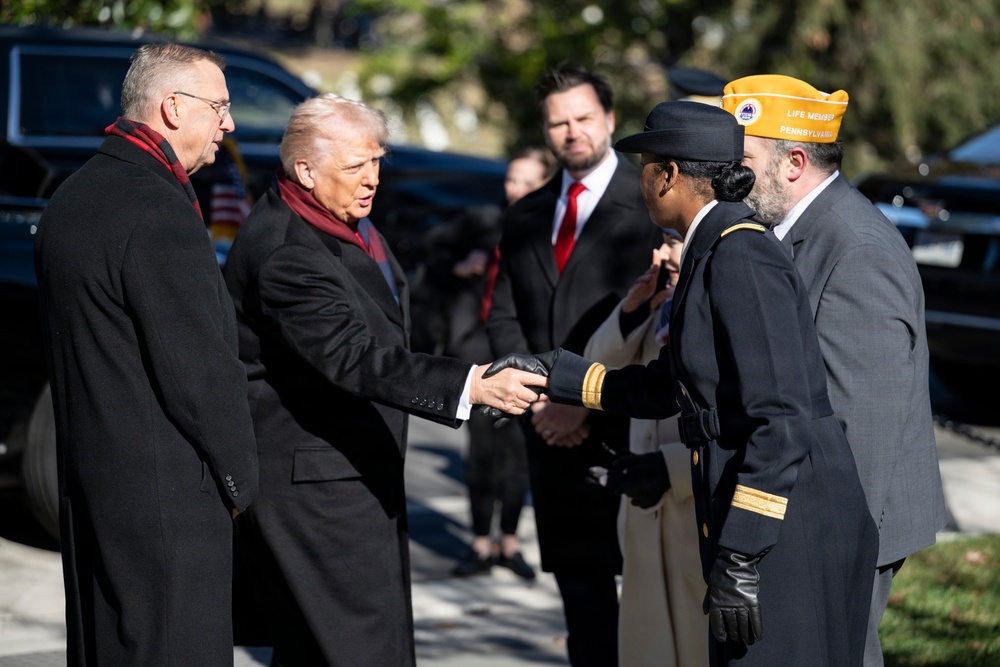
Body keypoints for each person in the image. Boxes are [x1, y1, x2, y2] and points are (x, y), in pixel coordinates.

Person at [487, 100, 880, 666]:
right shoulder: (713, 246)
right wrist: (553, 373)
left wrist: (741, 553)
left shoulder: (740, 254)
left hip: (792, 530)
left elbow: (782, 419)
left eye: (644, 168)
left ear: (668, 175)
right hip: (768, 526)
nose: (639, 183)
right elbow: (670, 386)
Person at [221, 93, 545, 667]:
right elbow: (356, 357)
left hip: (352, 476)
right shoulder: (287, 251)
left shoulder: (342, 219)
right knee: (356, 650)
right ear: (306, 170)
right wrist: (470, 384)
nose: (372, 178)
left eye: (376, 161)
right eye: (356, 166)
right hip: (317, 492)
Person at [33, 43, 259, 666]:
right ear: (172, 108)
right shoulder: (157, 211)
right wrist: (240, 482)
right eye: (219, 107)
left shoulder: (73, 196)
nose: (229, 124)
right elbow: (200, 376)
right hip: (168, 511)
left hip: (95, 489)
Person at [720, 74, 948, 667]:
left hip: (841, 524)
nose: (728, 176)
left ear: (794, 163)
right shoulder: (787, 229)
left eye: (743, 162)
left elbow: (861, 427)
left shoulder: (855, 248)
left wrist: (816, 546)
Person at [485, 66, 662, 667]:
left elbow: (654, 322)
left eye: (584, 117)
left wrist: (579, 401)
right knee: (582, 608)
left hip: (624, 432)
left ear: (609, 120)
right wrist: (540, 399)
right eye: (558, 122)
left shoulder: (651, 206)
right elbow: (503, 313)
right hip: (547, 434)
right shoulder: (526, 214)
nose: (572, 131)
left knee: (648, 607)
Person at [582, 228, 707, 667]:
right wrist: (632, 308)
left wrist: (672, 468)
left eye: (673, 240)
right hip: (643, 516)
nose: (660, 253)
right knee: (647, 647)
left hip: (694, 510)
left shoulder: (723, 306)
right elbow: (596, 366)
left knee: (697, 646)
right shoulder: (658, 306)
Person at [450, 147, 554, 579]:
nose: (516, 190)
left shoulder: (548, 231)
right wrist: (462, 265)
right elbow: (433, 256)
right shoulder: (485, 223)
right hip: (478, 348)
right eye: (512, 180)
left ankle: (509, 541)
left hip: (524, 352)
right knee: (481, 453)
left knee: (516, 455)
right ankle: (480, 543)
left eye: (527, 183)